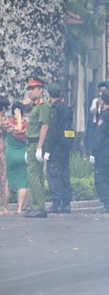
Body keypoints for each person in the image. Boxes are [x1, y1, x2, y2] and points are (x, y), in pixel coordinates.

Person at [44, 83, 74, 214]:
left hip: (56, 147)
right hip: (65, 147)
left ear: (49, 94)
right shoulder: (67, 108)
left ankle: (57, 203)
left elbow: (53, 131)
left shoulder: (54, 109)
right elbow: (70, 129)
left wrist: (48, 150)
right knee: (65, 174)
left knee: (54, 174)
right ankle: (66, 204)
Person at [24, 77, 50, 218]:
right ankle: (37, 206)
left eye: (33, 88)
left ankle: (39, 207)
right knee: (36, 176)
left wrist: (39, 147)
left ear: (41, 90)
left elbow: (45, 126)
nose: (30, 91)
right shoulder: (35, 106)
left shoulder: (43, 105)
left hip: (36, 143)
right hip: (31, 143)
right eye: (29, 89)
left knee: (33, 175)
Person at [4, 102, 29, 214]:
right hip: (23, 153)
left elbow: (17, 130)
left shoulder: (8, 122)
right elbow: (23, 132)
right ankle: (19, 209)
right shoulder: (26, 123)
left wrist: (17, 118)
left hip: (10, 153)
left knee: (8, 181)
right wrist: (20, 119)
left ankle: (5, 208)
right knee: (23, 181)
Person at [88, 82, 108, 154]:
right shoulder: (96, 100)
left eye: (103, 91)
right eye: (100, 91)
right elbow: (92, 111)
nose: (102, 93)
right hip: (96, 122)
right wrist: (97, 105)